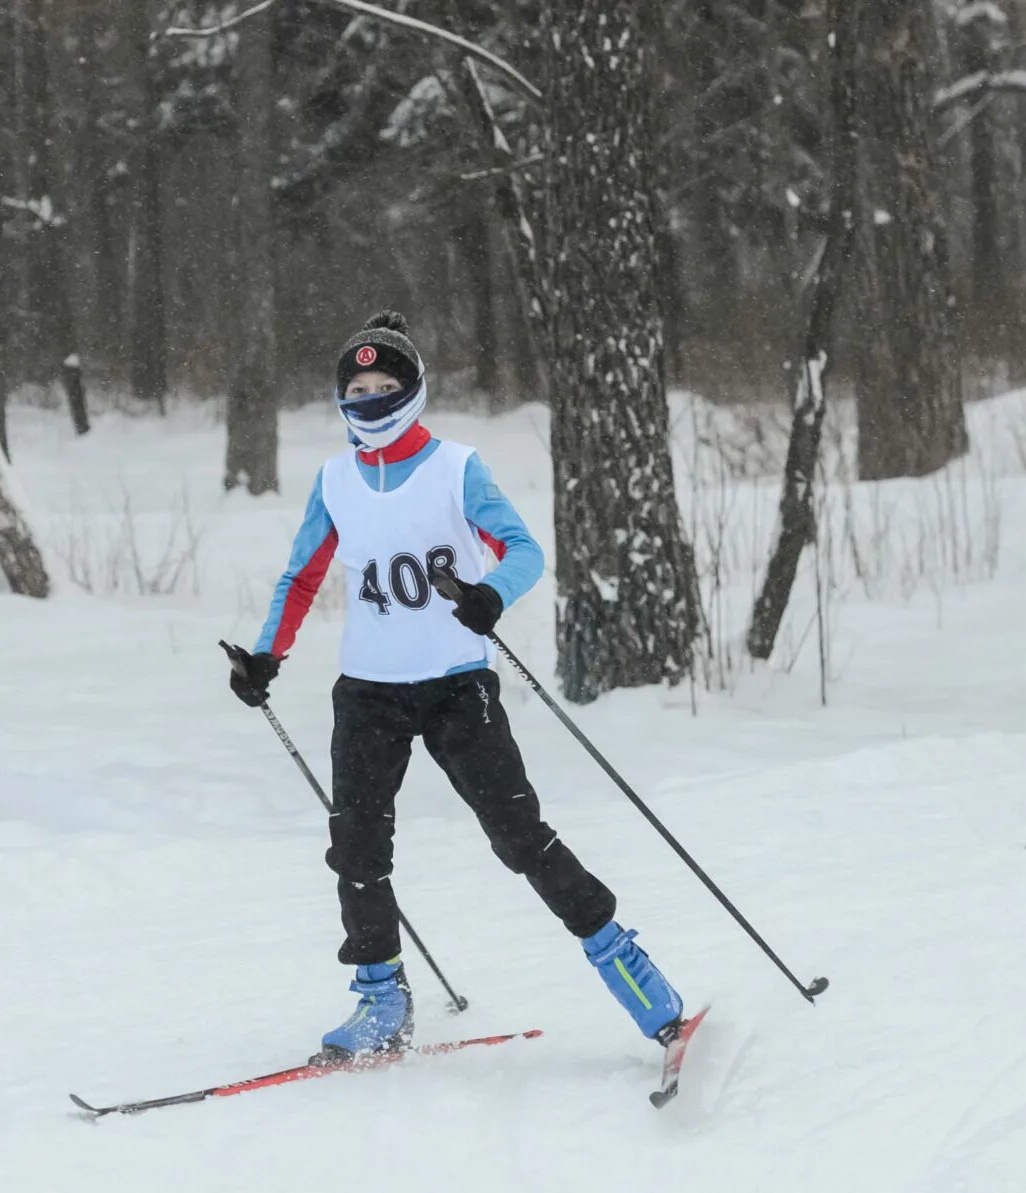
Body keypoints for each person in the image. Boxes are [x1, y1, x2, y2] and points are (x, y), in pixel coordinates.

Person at [227, 310, 685, 1063]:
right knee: (357, 848)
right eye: (357, 386)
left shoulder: (456, 467)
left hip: (455, 687)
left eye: (384, 385)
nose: (369, 398)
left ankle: (634, 975)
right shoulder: (335, 480)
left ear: (412, 390)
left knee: (519, 837)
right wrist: (264, 657)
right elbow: (302, 575)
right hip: (368, 693)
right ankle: (381, 998)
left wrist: (491, 594)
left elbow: (526, 550)